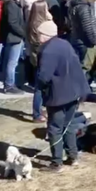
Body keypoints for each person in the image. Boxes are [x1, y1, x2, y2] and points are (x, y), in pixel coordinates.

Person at [34, 20, 87, 172]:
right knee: (68, 125)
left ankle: (57, 163)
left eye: (39, 34)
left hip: (58, 95)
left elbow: (44, 76)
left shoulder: (47, 50)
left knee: (55, 128)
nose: (37, 37)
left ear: (45, 35)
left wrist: (39, 87)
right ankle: (73, 156)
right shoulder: (65, 44)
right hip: (73, 92)